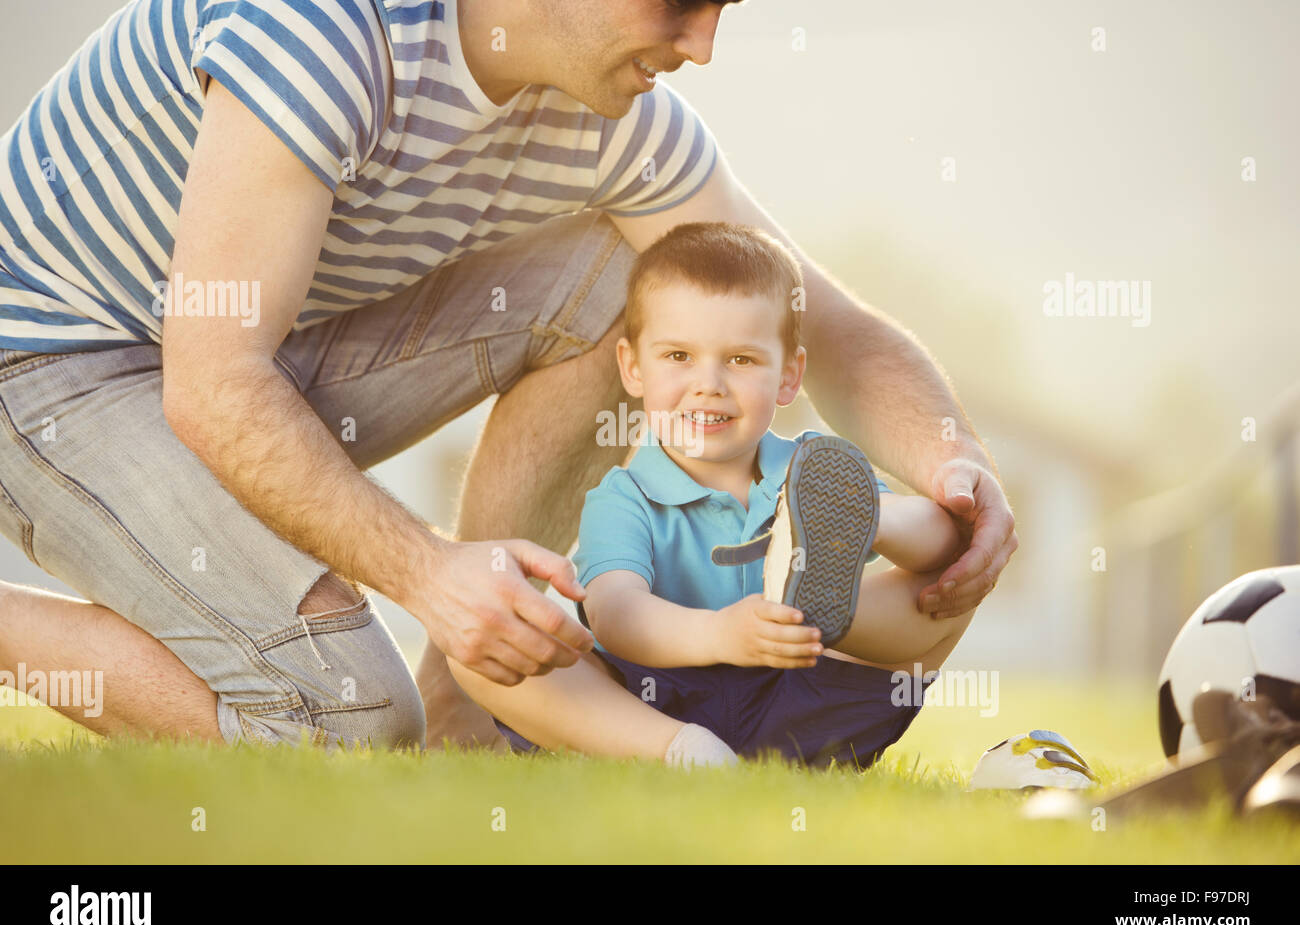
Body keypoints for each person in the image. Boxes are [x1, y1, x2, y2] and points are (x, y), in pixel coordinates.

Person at [0, 0, 1014, 750]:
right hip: (50, 361)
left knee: (664, 295)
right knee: (343, 726)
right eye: (682, 5)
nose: (702, 45)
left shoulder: (619, 121)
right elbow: (215, 383)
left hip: (259, 347)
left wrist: (950, 456)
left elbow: (817, 320)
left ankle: (466, 705)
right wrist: (430, 574)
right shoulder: (322, 32)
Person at [451, 222, 979, 768]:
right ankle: (684, 753)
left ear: (788, 376)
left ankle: (816, 598)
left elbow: (941, 545)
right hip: (651, 704)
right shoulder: (624, 497)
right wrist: (720, 635)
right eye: (678, 356)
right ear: (633, 368)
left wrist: (873, 521)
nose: (710, 383)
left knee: (956, 582)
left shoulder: (814, 468)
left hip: (798, 695)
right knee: (481, 653)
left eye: (742, 360)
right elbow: (617, 614)